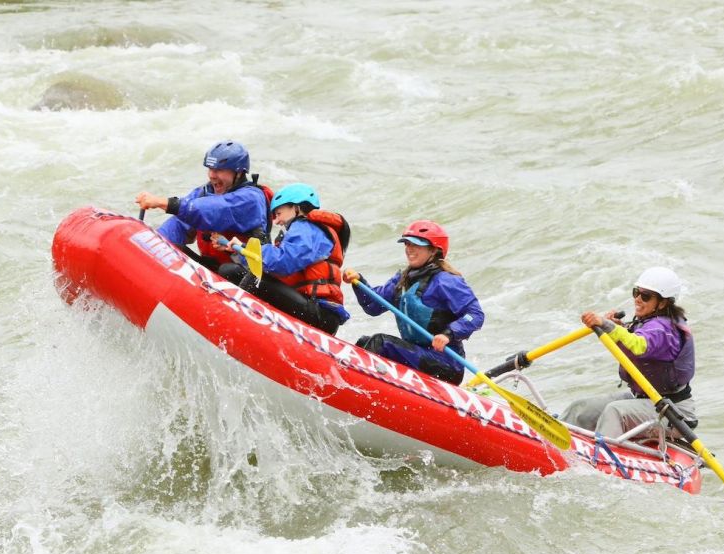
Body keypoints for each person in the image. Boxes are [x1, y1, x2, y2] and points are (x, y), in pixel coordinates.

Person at [559, 266, 696, 439]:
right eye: (636, 293)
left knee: (614, 411)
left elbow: (638, 346)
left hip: (672, 412)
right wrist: (616, 327)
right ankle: (554, 439)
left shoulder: (664, 331)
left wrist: (608, 325)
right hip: (643, 399)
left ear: (662, 303)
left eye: (645, 296)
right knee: (581, 408)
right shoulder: (648, 322)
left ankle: (600, 457)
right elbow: (633, 343)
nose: (638, 299)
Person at [342, 220, 484, 385]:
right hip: (417, 353)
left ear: (433, 250)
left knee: (380, 343)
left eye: (416, 245)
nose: (409, 249)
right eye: (407, 244)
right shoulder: (403, 279)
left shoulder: (446, 281)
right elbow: (373, 306)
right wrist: (359, 283)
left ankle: (353, 386)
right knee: (363, 342)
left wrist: (448, 334)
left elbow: (475, 314)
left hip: (446, 364)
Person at [215, 183, 350, 336]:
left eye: (278, 213)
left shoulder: (308, 229)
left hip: (321, 314)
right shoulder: (304, 229)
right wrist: (240, 252)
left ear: (296, 208)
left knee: (258, 281)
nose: (277, 221)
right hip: (306, 303)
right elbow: (272, 266)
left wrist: (247, 249)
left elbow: (283, 261)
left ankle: (230, 322)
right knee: (231, 271)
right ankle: (244, 320)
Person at [135, 140, 270, 272]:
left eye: (219, 170)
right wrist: (151, 245)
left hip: (246, 273)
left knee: (228, 270)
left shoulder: (251, 198)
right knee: (172, 249)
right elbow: (179, 224)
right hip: (212, 269)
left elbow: (212, 210)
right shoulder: (204, 193)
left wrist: (161, 202)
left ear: (239, 173)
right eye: (210, 169)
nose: (212, 175)